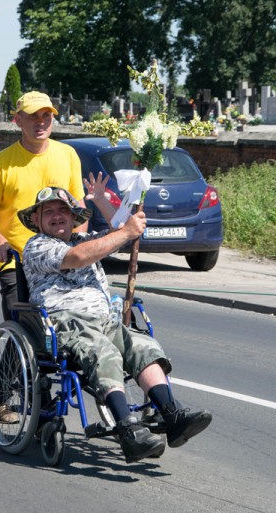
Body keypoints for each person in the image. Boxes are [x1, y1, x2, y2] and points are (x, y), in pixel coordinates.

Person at [19, 178, 212, 464]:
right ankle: (127, 429)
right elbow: (79, 256)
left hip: (104, 319)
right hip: (67, 322)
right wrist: (126, 233)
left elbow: (119, 229)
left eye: (64, 210)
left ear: (74, 217)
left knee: (142, 345)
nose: (58, 215)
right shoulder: (37, 246)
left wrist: (100, 199)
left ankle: (173, 415)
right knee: (103, 352)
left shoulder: (85, 239)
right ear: (36, 219)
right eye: (49, 212)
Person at [0, 91, 86, 320]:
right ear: (18, 120)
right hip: (17, 260)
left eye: (46, 115)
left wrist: (77, 245)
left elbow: (78, 206)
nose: (40, 122)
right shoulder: (0, 164)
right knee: (23, 324)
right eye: (33, 116)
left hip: (58, 257)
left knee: (63, 326)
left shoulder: (68, 155)